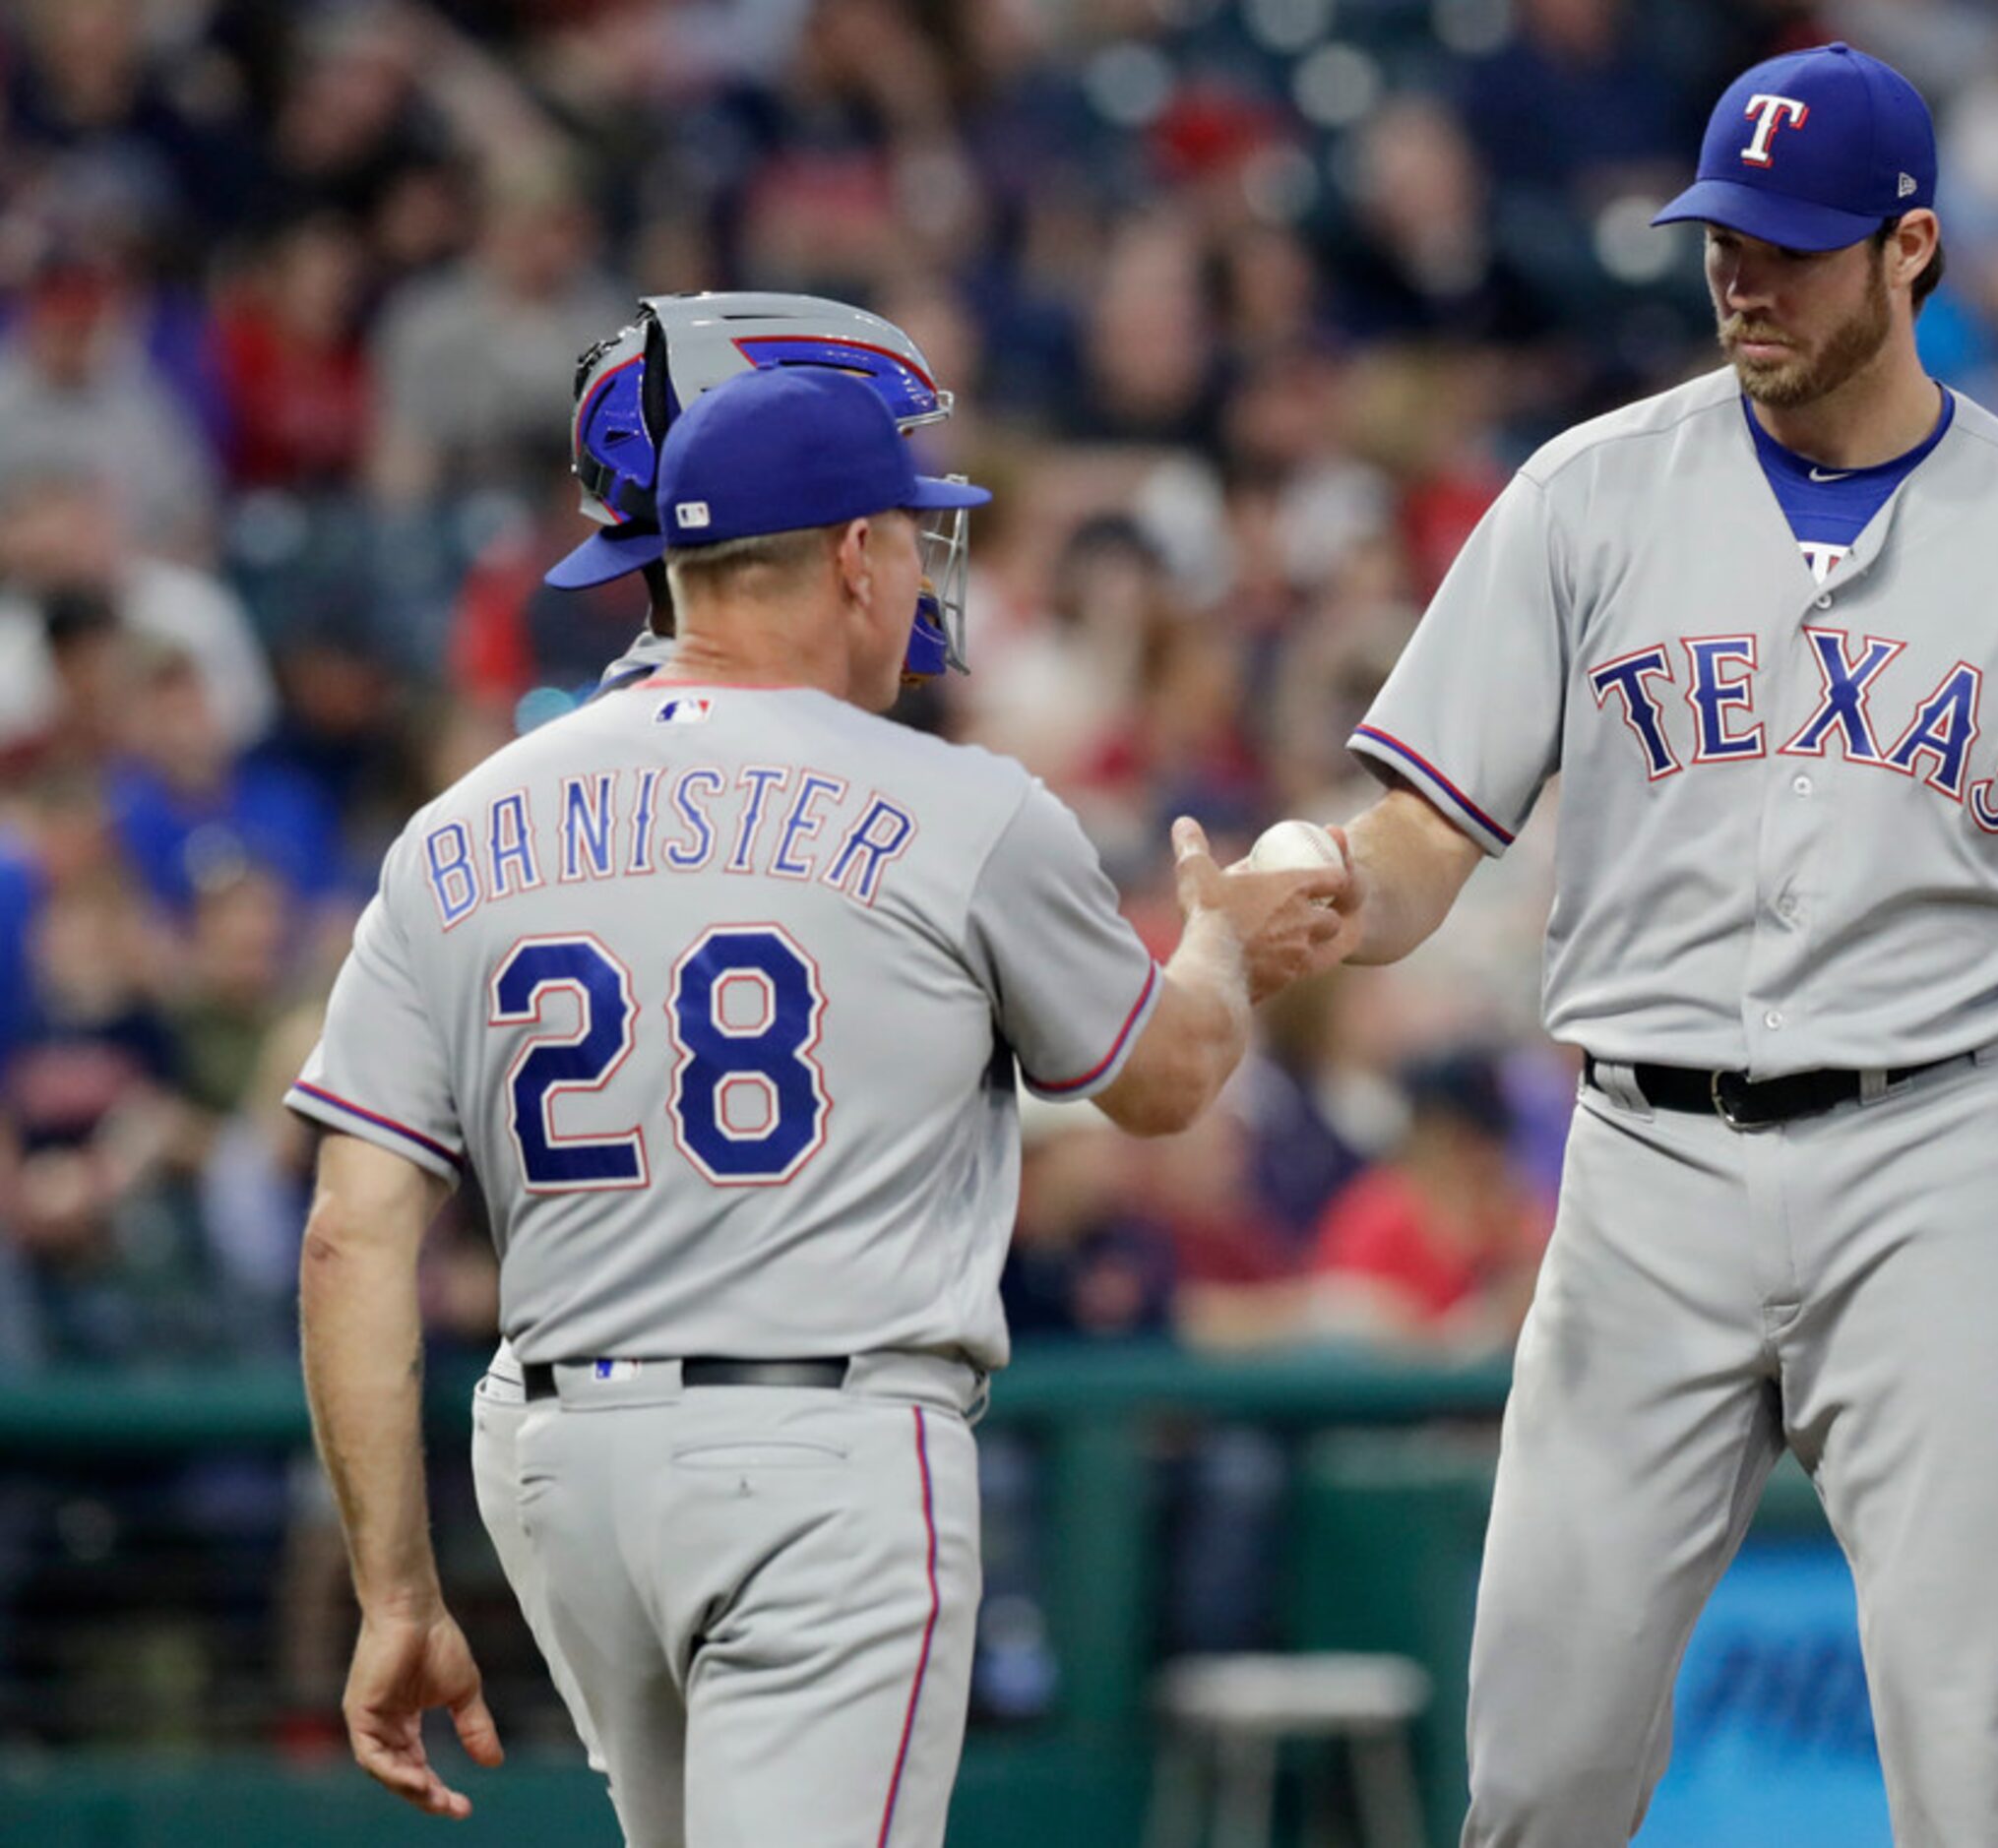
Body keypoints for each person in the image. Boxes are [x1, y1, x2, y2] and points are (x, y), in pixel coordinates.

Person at [1271, 45, 1998, 1846]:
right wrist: (1316, 879)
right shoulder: (1584, 494)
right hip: (1644, 1160)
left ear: (1908, 248)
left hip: (1928, 1153)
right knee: (1539, 1768)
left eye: (1787, 244)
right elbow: (1418, 839)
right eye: (1721, 238)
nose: (1739, 277)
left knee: (1975, 1775)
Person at [290, 366, 1347, 1841]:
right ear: (856, 555)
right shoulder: (957, 806)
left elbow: (350, 1234)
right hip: (823, 1448)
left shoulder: (456, 826)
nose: (923, 567)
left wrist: (394, 1587)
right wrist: (1228, 946)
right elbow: (1165, 1082)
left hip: (559, 1465)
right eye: (912, 534)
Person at [462, 289, 968, 1793]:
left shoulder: (528, 778)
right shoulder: (869, 791)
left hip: (565, 1410)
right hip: (793, 1412)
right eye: (866, 473)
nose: (895, 511)